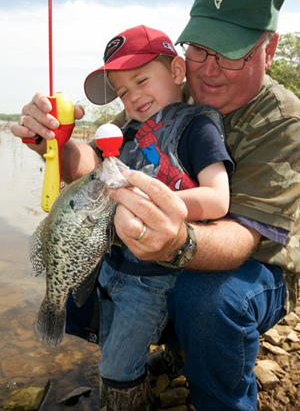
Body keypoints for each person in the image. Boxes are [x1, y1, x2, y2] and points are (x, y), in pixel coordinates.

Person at [11, 0, 300, 411]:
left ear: (269, 47)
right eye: (200, 50)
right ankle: (167, 353)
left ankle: (220, 398)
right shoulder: (163, 96)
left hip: (255, 265)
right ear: (181, 57)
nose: (210, 69)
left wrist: (174, 244)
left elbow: (242, 237)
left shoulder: (283, 123)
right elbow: (101, 164)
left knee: (209, 299)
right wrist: (55, 147)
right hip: (176, 246)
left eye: (230, 53)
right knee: (94, 253)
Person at [85, 24, 234, 409]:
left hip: (151, 279)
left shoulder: (196, 126)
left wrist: (162, 202)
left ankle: (126, 398)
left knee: (116, 368)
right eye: (123, 92)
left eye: (141, 80)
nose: (133, 97)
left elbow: (218, 199)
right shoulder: (126, 133)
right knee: (108, 343)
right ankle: (170, 360)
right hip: (114, 267)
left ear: (177, 71)